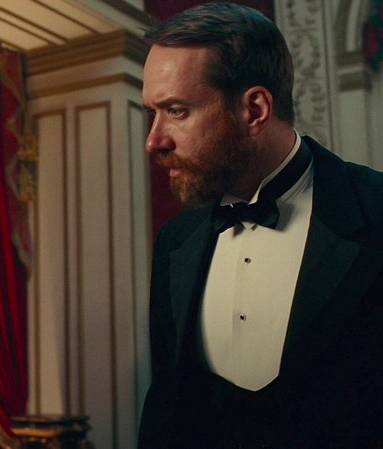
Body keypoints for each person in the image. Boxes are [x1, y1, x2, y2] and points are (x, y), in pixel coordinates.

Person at [139, 3, 383, 448]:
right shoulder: (176, 241)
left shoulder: (375, 211)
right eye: (151, 113)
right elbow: (166, 414)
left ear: (254, 109)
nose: (153, 140)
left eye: (175, 111)